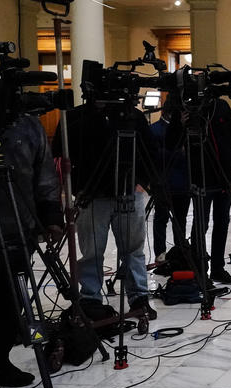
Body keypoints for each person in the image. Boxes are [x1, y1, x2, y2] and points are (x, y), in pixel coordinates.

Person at [0, 114, 64, 388]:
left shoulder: (30, 126)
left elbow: (45, 175)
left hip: (18, 229)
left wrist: (51, 217)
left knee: (12, 305)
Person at [53, 93, 158, 323]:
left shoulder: (132, 117)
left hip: (129, 191)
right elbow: (59, 150)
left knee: (133, 250)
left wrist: (142, 181)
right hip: (92, 195)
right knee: (91, 252)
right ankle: (90, 298)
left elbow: (150, 150)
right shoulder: (75, 117)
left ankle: (138, 296)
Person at [191, 97, 231, 284]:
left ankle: (218, 269)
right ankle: (199, 270)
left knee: (222, 223)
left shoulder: (220, 106)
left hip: (223, 176)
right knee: (200, 225)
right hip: (202, 177)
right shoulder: (191, 106)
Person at [149, 96, 191, 265]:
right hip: (163, 183)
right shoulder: (155, 130)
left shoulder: (186, 130)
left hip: (183, 182)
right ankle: (160, 253)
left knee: (180, 220)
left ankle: (180, 251)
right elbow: (155, 156)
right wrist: (177, 152)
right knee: (161, 218)